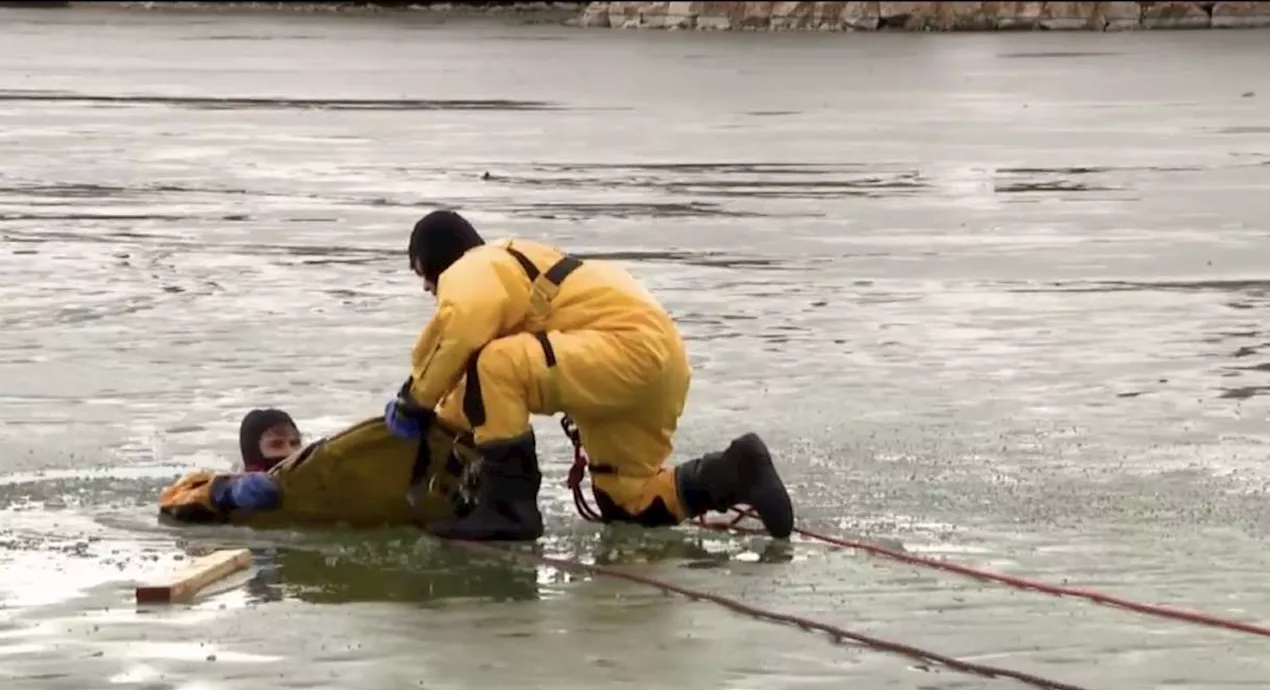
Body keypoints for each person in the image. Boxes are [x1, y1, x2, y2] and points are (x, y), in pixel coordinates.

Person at [382, 209, 795, 543]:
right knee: (628, 502)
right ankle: (735, 470)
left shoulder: (476, 265)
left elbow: (461, 328)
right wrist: (438, 422)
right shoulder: (515, 274)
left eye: (422, 272)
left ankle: (510, 510)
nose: (425, 288)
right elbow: (474, 393)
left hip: (623, 348)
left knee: (496, 363)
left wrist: (415, 400)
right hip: (658, 362)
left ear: (440, 256)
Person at [157, 406, 478, 528]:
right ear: (251, 453)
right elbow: (173, 499)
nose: (289, 451)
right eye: (276, 444)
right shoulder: (229, 481)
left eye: (295, 443)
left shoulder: (315, 475)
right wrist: (226, 492)